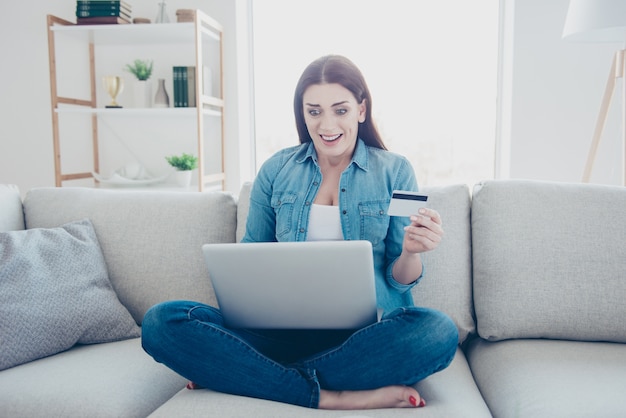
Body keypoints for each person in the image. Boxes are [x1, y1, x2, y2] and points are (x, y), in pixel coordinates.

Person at [142, 54, 458, 410]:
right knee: (161, 322)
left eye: (340, 110)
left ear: (361, 110)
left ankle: (250, 375)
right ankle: (329, 396)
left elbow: (401, 281)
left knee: (437, 332)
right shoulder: (276, 170)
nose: (327, 124)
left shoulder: (396, 171)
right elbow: (249, 258)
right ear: (302, 113)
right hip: (278, 334)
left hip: (362, 339)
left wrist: (412, 251)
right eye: (314, 111)